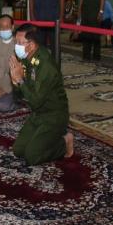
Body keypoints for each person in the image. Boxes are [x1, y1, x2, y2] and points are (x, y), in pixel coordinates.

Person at [8, 24, 73, 165]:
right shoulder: (25, 58)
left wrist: (20, 80)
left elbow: (36, 101)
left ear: (31, 45)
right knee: (18, 150)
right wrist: (15, 82)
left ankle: (64, 142)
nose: (16, 46)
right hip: (38, 113)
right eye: (16, 42)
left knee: (32, 156)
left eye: (19, 43)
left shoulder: (46, 65)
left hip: (54, 115)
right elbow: (19, 97)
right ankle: (48, 139)